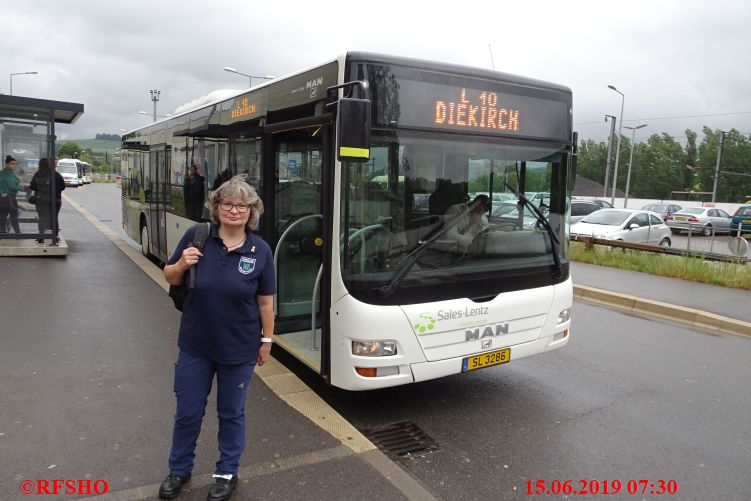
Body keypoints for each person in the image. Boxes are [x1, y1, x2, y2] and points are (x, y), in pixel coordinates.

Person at [159, 174, 275, 501]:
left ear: (251, 211)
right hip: (196, 345)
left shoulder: (260, 250)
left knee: (231, 413)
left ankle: (226, 473)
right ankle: (179, 470)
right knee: (188, 412)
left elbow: (266, 302)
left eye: (242, 205)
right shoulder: (197, 237)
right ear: (217, 206)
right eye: (227, 203)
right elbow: (169, 274)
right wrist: (182, 262)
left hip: (239, 348)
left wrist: (267, 341)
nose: (234, 210)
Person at [30, 158, 65, 243]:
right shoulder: (56, 174)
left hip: (41, 200)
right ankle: (54, 236)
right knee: (54, 218)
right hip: (55, 200)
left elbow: (33, 186)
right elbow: (63, 187)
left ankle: (41, 236)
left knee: (42, 218)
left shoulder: (37, 174)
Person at [0, 155, 30, 233]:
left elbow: (13, 184)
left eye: (15, 164)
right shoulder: (7, 174)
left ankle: (2, 232)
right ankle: (17, 233)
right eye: (12, 164)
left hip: (3, 198)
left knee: (3, 216)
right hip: (8, 198)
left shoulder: (6, 172)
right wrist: (25, 189)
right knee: (14, 215)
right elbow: (12, 186)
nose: (14, 165)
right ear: (7, 164)